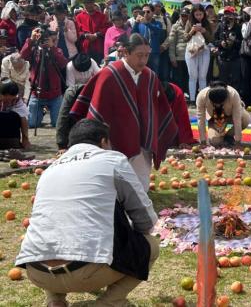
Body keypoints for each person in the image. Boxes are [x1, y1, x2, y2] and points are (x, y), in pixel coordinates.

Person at [15, 119, 159, 307]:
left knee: (52, 233)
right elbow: (145, 218)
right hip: (86, 273)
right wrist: (134, 236)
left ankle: (54, 300)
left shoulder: (49, 170)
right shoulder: (112, 159)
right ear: (103, 142)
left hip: (36, 272)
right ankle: (108, 303)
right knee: (151, 246)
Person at [70, 33, 180, 191]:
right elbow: (99, 109)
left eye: (147, 55)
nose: (143, 60)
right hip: (114, 139)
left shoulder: (150, 76)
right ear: (126, 52)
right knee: (113, 186)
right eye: (139, 55)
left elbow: (157, 108)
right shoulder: (109, 74)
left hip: (143, 144)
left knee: (141, 187)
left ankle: (139, 201)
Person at [20, 26, 68, 129]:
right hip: (37, 94)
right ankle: (41, 112)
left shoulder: (57, 50)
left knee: (57, 124)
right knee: (32, 124)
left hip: (54, 95)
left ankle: (43, 111)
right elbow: (22, 56)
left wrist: (52, 48)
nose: (43, 40)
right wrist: (31, 40)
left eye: (46, 38)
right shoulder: (34, 50)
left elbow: (63, 63)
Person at [196, 81, 250, 147]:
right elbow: (201, 119)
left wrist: (238, 142)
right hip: (214, 119)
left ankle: (229, 136)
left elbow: (237, 119)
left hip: (231, 115)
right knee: (215, 142)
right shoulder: (202, 96)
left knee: (246, 119)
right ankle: (222, 138)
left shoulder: (233, 94)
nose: (218, 105)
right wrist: (203, 141)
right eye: (215, 104)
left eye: (221, 103)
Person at [184, 4, 214, 106]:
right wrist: (192, 30)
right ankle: (192, 100)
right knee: (193, 76)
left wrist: (203, 31)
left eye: (200, 14)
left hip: (204, 51)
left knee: (202, 76)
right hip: (192, 51)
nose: (198, 17)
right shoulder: (189, 22)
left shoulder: (207, 23)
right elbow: (185, 38)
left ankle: (202, 99)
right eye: (196, 14)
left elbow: (211, 39)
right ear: (193, 14)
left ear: (204, 14)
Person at [213, 7, 242, 91]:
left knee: (235, 81)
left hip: (235, 58)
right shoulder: (221, 26)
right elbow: (215, 40)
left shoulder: (238, 27)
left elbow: (241, 42)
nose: (227, 16)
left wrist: (233, 42)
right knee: (222, 81)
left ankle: (235, 99)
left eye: (229, 14)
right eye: (226, 14)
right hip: (223, 57)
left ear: (234, 15)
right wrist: (221, 43)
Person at [75, 0, 109, 64]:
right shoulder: (79, 17)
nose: (88, 5)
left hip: (99, 47)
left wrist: (96, 35)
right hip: (85, 48)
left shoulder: (102, 16)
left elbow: (106, 28)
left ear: (93, 3)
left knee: (100, 66)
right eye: (86, 3)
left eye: (90, 2)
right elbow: (77, 31)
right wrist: (85, 35)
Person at [132, 4, 163, 74]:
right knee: (141, 73)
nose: (145, 14)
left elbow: (158, 31)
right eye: (143, 12)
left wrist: (147, 23)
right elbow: (132, 34)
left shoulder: (158, 23)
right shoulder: (139, 24)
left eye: (148, 12)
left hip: (153, 53)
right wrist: (136, 23)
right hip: (141, 53)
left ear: (153, 13)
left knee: (154, 73)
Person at [167, 6, 190, 95]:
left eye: (186, 15)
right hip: (179, 57)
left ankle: (188, 97)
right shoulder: (175, 26)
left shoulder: (192, 25)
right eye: (183, 15)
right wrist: (172, 58)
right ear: (180, 15)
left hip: (190, 57)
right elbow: (171, 43)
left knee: (188, 79)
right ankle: (178, 96)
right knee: (178, 80)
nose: (184, 17)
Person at [0, 79, 30, 149]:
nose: (10, 102)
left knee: (15, 116)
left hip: (11, 133)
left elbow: (23, 118)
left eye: (12, 99)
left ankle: (13, 142)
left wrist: (25, 139)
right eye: (7, 99)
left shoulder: (17, 100)